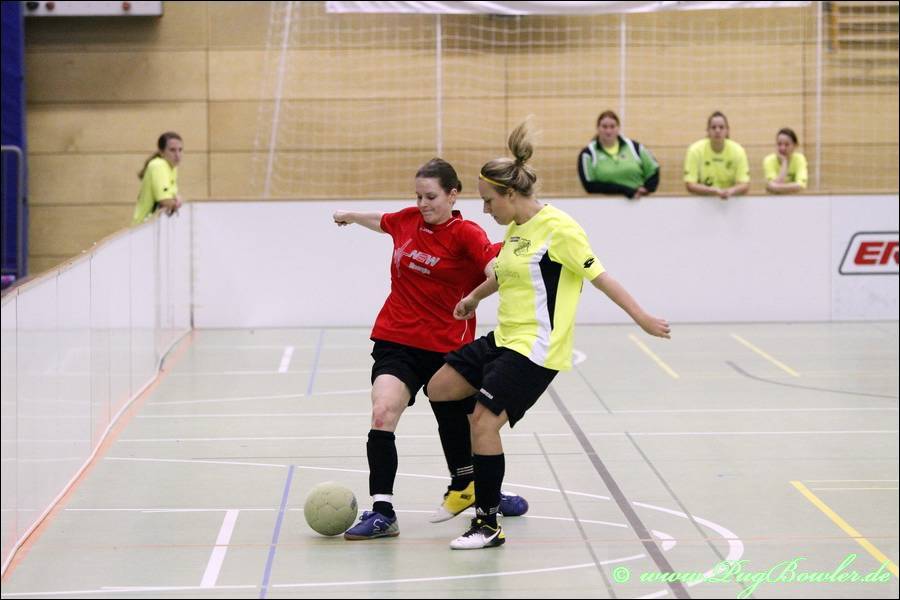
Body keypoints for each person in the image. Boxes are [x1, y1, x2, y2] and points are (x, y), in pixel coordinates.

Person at [426, 120, 671, 550]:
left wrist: (642, 318)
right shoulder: (516, 229)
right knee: (441, 388)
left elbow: (601, 278)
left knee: (483, 422)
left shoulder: (561, 229)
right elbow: (504, 273)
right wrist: (474, 297)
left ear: (510, 194)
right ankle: (469, 480)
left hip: (537, 347)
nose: (485, 210)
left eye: (488, 201)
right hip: (506, 338)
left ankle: (487, 523)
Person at [333, 158, 529, 541]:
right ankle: (383, 512)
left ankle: (485, 492)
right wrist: (352, 216)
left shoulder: (466, 233)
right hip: (397, 341)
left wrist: (482, 288)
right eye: (418, 196)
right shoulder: (407, 220)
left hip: (448, 348)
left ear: (453, 195)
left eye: (431, 197)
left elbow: (493, 268)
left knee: (473, 425)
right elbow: (383, 221)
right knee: (382, 412)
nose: (423, 204)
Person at [578, 110, 659, 200]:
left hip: (637, 202)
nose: (608, 131)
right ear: (598, 128)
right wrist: (626, 191)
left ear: (618, 128)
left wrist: (647, 188)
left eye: (612, 126)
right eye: (604, 127)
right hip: (603, 204)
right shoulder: (588, 153)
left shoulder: (635, 147)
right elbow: (589, 185)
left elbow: (653, 169)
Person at [683, 111, 750, 200]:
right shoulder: (695, 150)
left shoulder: (738, 151)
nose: (717, 130)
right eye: (713, 127)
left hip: (730, 201)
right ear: (708, 131)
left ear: (727, 131)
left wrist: (730, 191)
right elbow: (690, 185)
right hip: (702, 202)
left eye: (721, 127)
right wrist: (714, 191)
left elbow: (744, 184)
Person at [132, 131, 184, 225]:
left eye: (180, 150)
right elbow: (165, 200)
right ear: (161, 152)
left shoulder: (172, 167)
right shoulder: (158, 165)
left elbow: (171, 196)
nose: (177, 155)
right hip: (144, 226)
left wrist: (176, 199)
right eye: (172, 150)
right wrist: (177, 203)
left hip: (154, 225)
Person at [763, 127, 808, 194]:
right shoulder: (769, 160)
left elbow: (801, 185)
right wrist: (784, 162)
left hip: (795, 199)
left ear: (795, 145)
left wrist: (776, 187)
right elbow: (772, 186)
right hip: (774, 199)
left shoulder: (800, 159)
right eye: (779, 144)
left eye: (787, 145)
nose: (782, 148)